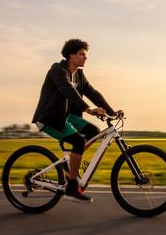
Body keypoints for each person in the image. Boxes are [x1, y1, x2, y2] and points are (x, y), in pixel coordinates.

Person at [32, 39, 124, 202]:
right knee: (79, 142)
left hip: (67, 116)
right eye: (81, 54)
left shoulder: (79, 75)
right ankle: (72, 187)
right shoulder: (57, 70)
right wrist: (88, 109)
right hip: (50, 118)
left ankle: (69, 163)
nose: (85, 58)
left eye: (85, 55)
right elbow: (68, 91)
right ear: (71, 55)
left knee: (93, 132)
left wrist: (112, 111)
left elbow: (93, 93)